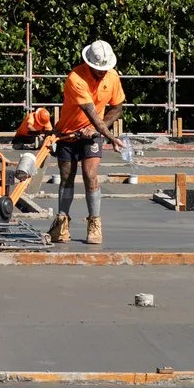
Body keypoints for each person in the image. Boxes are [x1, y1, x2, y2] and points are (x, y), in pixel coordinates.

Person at [51, 40, 125, 244]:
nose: (102, 73)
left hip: (92, 134)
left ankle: (94, 223)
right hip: (68, 133)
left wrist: (94, 130)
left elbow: (116, 108)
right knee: (66, 176)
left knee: (90, 174)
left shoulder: (112, 77)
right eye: (97, 69)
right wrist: (111, 137)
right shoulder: (76, 78)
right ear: (89, 64)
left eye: (105, 69)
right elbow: (90, 112)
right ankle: (62, 223)